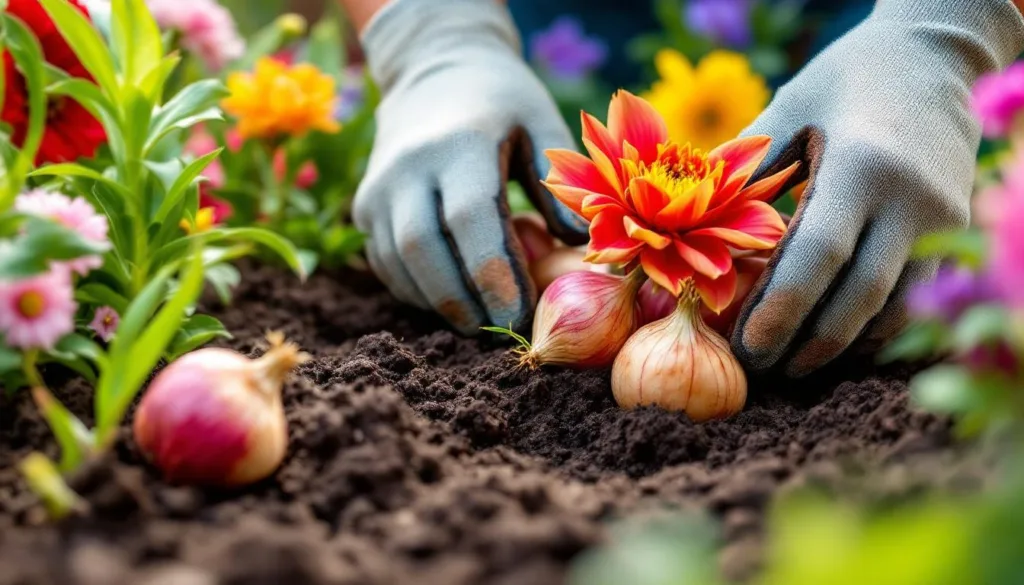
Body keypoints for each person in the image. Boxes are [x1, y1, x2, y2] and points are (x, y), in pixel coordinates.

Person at [341, 0, 1024, 377]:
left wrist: (949, 31)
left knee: (884, 208)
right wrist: (431, 34)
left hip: (872, 27)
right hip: (562, 29)